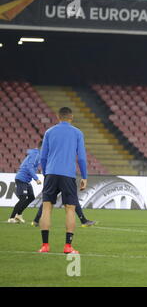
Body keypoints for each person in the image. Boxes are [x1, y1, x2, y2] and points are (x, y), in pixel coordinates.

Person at [38, 107, 88, 254]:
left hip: (51, 173)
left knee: (47, 208)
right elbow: (82, 158)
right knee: (70, 209)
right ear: (71, 117)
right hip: (68, 175)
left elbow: (43, 157)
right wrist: (84, 176)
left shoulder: (49, 132)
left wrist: (46, 173)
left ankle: (45, 246)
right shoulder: (77, 133)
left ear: (58, 117)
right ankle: (68, 246)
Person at [7, 141, 42, 224]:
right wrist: (36, 179)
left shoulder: (37, 154)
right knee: (23, 198)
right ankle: (11, 218)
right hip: (22, 178)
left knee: (31, 197)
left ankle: (18, 215)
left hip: (26, 180)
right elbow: (30, 167)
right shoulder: (36, 154)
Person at [31, 201, 97, 228]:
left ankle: (35, 221)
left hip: (51, 176)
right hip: (64, 177)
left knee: (47, 201)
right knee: (73, 198)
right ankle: (84, 221)